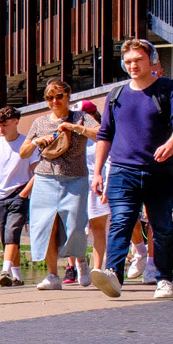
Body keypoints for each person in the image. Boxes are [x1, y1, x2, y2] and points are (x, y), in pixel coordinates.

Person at [92, 40, 173, 300]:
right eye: (128, 61)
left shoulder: (168, 89)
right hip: (122, 171)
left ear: (153, 60)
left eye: (138, 60)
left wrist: (172, 144)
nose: (133, 65)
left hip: (159, 171)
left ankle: (164, 279)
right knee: (121, 222)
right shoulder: (116, 95)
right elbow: (105, 134)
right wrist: (98, 172)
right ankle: (114, 275)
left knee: (161, 226)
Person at [15, 80, 98, 290]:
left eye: (59, 96)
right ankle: (52, 276)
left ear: (68, 96)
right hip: (45, 179)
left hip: (75, 179)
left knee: (76, 225)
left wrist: (75, 128)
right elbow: (23, 153)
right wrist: (36, 142)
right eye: (50, 98)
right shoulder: (40, 122)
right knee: (46, 226)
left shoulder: (81, 117)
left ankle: (80, 261)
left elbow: (101, 134)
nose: (54, 101)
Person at [0, 105, 33, 286]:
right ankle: (18, 277)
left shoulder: (27, 144)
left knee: (12, 232)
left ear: (16, 121)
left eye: (5, 125)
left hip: (19, 195)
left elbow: (37, 172)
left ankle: (5, 271)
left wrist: (24, 194)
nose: (1, 129)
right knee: (7, 238)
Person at [79, 99, 106, 287]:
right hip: (77, 182)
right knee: (76, 228)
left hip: (97, 183)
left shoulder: (103, 133)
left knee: (98, 227)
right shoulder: (74, 133)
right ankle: (81, 264)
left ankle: (97, 269)